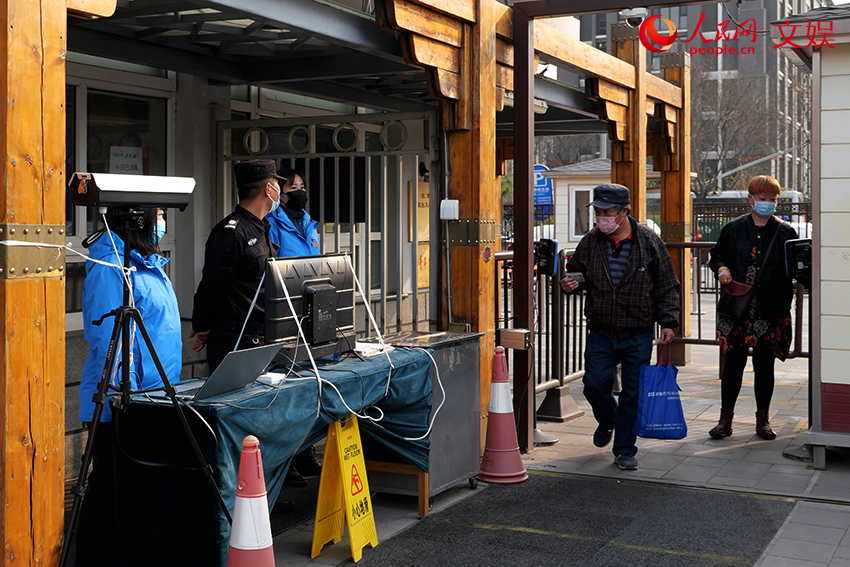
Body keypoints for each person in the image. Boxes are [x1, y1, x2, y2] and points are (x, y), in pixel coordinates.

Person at [77, 207, 182, 566]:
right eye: (159, 213)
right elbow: (113, 339)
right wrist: (130, 398)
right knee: (108, 490)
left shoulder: (147, 264)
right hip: (122, 402)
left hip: (155, 398)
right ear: (137, 220)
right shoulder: (112, 266)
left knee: (136, 492)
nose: (164, 220)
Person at [559, 183, 680, 471]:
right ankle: (608, 419)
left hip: (637, 331)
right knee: (593, 384)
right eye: (598, 212)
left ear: (625, 211)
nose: (601, 218)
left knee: (632, 393)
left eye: (607, 212)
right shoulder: (590, 242)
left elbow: (667, 285)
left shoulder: (649, 241)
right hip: (601, 330)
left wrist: (669, 322)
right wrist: (569, 283)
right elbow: (575, 271)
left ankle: (625, 448)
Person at [708, 175, 798, 441]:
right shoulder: (733, 228)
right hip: (736, 309)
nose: (768, 204)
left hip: (770, 309)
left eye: (772, 200)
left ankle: (763, 421)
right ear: (750, 199)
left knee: (765, 366)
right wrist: (722, 268)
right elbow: (717, 255)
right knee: (732, 366)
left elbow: (795, 267)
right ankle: (725, 421)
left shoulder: (786, 232)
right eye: (762, 199)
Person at [190, 159, 284, 372]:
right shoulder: (231, 232)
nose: (280, 191)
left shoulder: (261, 228)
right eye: (277, 185)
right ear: (268, 189)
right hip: (235, 338)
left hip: (261, 336)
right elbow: (213, 285)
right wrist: (202, 325)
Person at [265, 168, 323, 484]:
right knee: (288, 387)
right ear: (280, 192)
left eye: (303, 185)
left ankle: (306, 453)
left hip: (311, 310)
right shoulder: (273, 225)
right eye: (293, 186)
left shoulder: (311, 224)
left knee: (309, 386)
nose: (299, 191)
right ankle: (286, 462)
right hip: (285, 313)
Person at [267, 168, 320, 256]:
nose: (299, 192)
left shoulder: (309, 223)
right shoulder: (271, 224)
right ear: (279, 192)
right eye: (293, 188)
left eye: (302, 187)